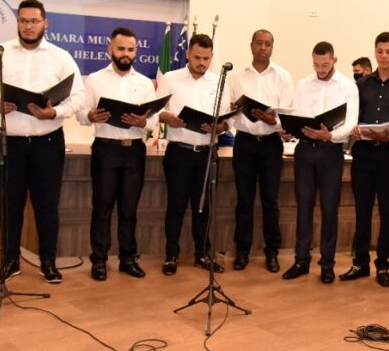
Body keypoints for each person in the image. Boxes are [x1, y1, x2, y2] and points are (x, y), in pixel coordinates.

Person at [0, 0, 85, 284]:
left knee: (47, 205)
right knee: (9, 205)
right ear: (17, 23)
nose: (28, 26)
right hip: (8, 143)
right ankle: (9, 261)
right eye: (23, 21)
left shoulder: (61, 57)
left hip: (46, 143)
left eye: (34, 21)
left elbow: (78, 97)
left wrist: (55, 112)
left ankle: (48, 262)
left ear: (45, 23)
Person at [77, 27, 155, 281]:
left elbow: (154, 119)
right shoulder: (95, 79)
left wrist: (144, 122)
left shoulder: (144, 82)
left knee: (129, 209)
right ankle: (99, 260)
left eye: (130, 50)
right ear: (110, 49)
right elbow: (81, 113)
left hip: (134, 150)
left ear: (136, 52)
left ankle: (127, 259)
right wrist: (91, 115)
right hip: (105, 149)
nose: (125, 54)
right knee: (102, 207)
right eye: (121, 49)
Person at [341, 32, 389, 287]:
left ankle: (382, 265)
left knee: (387, 212)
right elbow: (352, 116)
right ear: (374, 52)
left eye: (388, 52)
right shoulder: (361, 84)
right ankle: (360, 262)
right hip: (363, 153)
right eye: (380, 51)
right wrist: (353, 127)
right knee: (362, 211)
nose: (384, 56)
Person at [281, 41, 359, 283]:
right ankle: (301, 261)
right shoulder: (303, 84)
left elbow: (351, 121)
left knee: (329, 208)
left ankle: (327, 264)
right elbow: (296, 114)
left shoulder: (347, 86)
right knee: (303, 207)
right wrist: (288, 129)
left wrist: (330, 136)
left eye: (325, 64)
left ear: (334, 60)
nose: (320, 69)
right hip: (305, 151)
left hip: (331, 152)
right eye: (316, 64)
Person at [156, 33, 232, 276]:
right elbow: (157, 111)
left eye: (206, 59)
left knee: (203, 207)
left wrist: (219, 127)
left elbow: (226, 121)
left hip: (207, 154)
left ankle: (202, 254)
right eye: (197, 57)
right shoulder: (170, 78)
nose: (202, 62)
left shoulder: (219, 82)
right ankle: (171, 256)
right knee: (176, 206)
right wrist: (169, 118)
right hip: (179, 152)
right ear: (188, 53)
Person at [228, 29, 293, 274]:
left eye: (267, 44)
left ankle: (272, 252)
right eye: (259, 43)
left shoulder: (283, 76)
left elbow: (287, 116)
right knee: (244, 200)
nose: (263, 48)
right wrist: (234, 109)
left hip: (270, 144)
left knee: (270, 201)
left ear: (272, 47)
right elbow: (228, 113)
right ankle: (242, 251)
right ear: (251, 45)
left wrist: (271, 120)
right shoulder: (236, 77)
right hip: (244, 143)